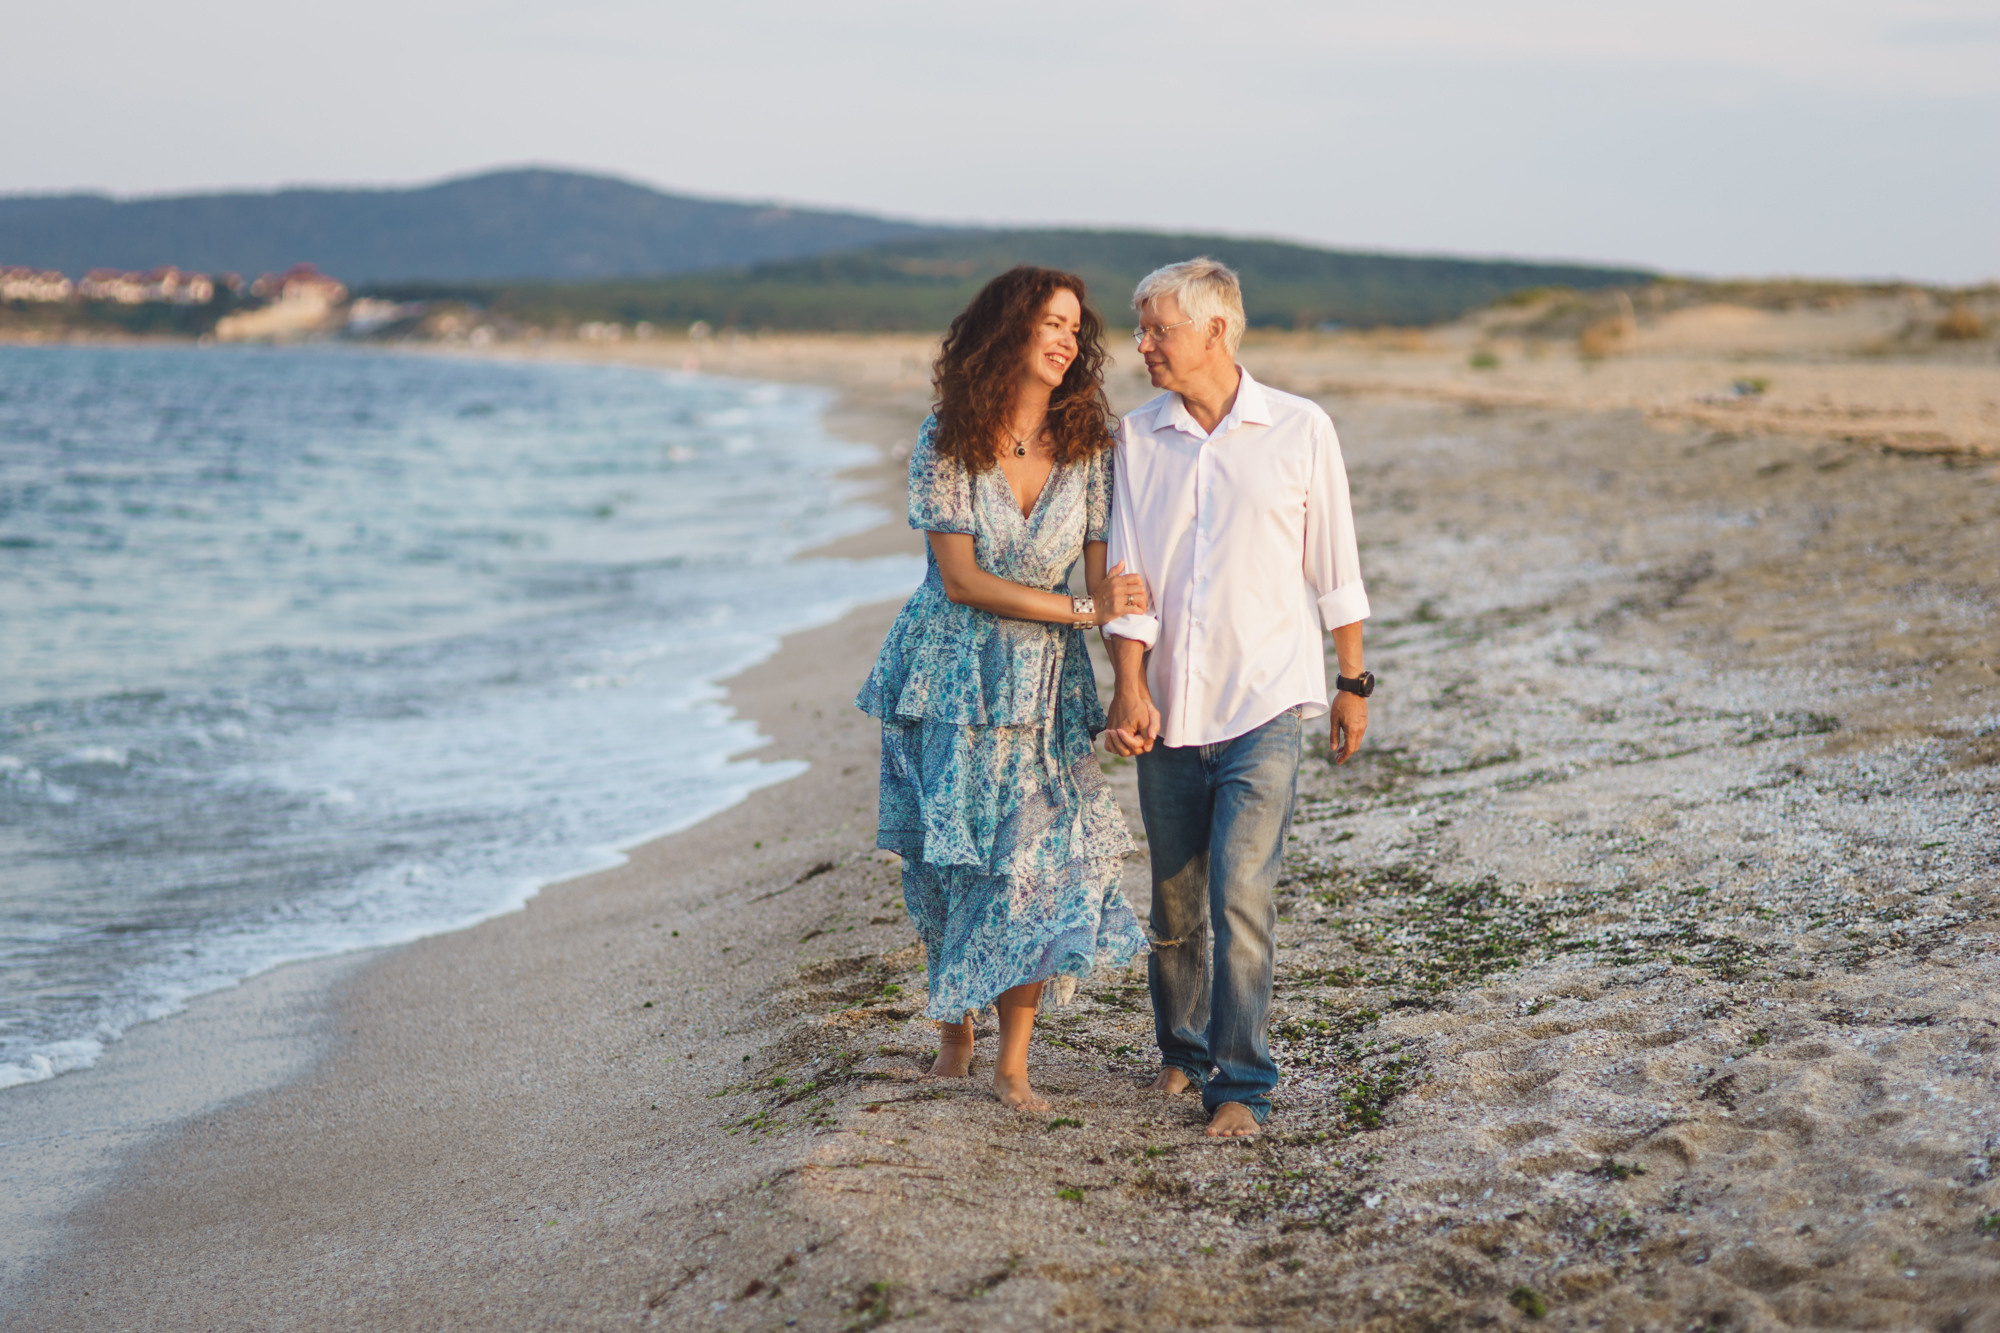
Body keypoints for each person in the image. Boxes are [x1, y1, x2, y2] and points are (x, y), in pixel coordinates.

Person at [856, 265, 1151, 1113]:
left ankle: (1013, 1063)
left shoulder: (1091, 447)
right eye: (1049, 324)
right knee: (949, 861)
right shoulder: (946, 437)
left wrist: (1125, 662)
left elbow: (1104, 575)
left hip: (1042, 688)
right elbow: (960, 580)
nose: (1065, 340)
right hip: (946, 676)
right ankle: (956, 1030)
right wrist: (1083, 609)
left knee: (1037, 865)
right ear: (1006, 332)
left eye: (1074, 327)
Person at [1100, 257, 1374, 1139]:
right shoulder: (1136, 437)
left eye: (1158, 330)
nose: (1142, 345)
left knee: (1240, 894)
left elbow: (1335, 563)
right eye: (1138, 329)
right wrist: (1130, 686)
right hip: (1170, 707)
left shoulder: (1300, 428)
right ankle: (1182, 1051)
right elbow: (1125, 575)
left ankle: (1243, 1084)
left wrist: (1352, 680)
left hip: (1268, 702)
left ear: (1216, 330)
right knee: (1175, 905)